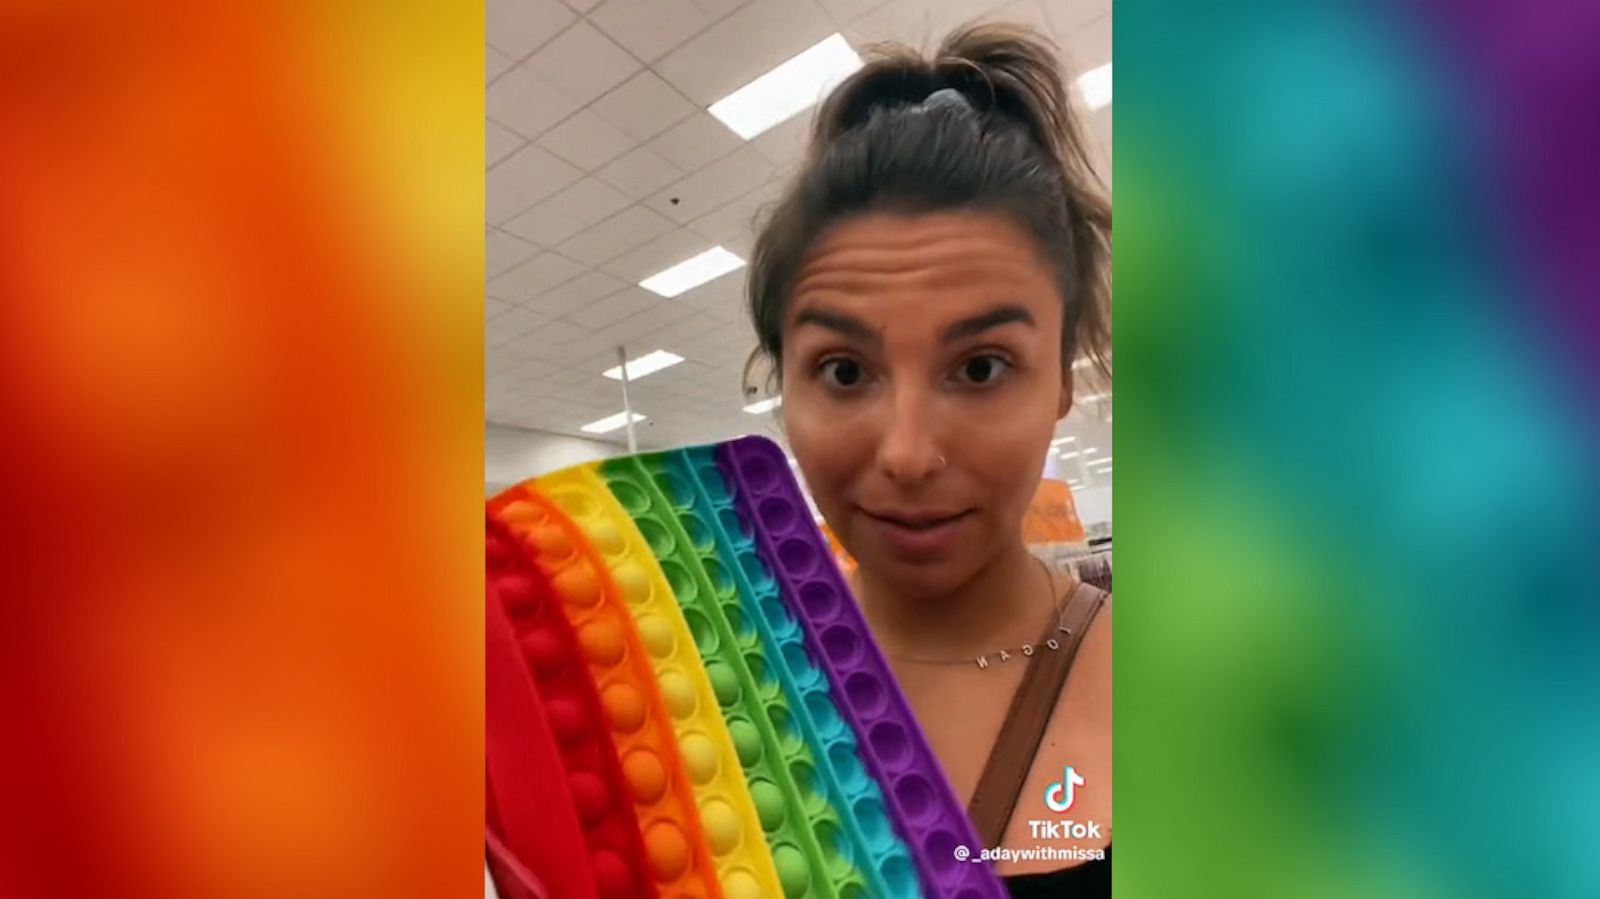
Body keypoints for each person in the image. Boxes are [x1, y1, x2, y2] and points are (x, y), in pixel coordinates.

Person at [744, 22, 1112, 896]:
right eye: (843, 370)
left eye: (981, 367)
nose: (908, 454)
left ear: (1061, 381)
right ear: (783, 386)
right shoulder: (716, 689)